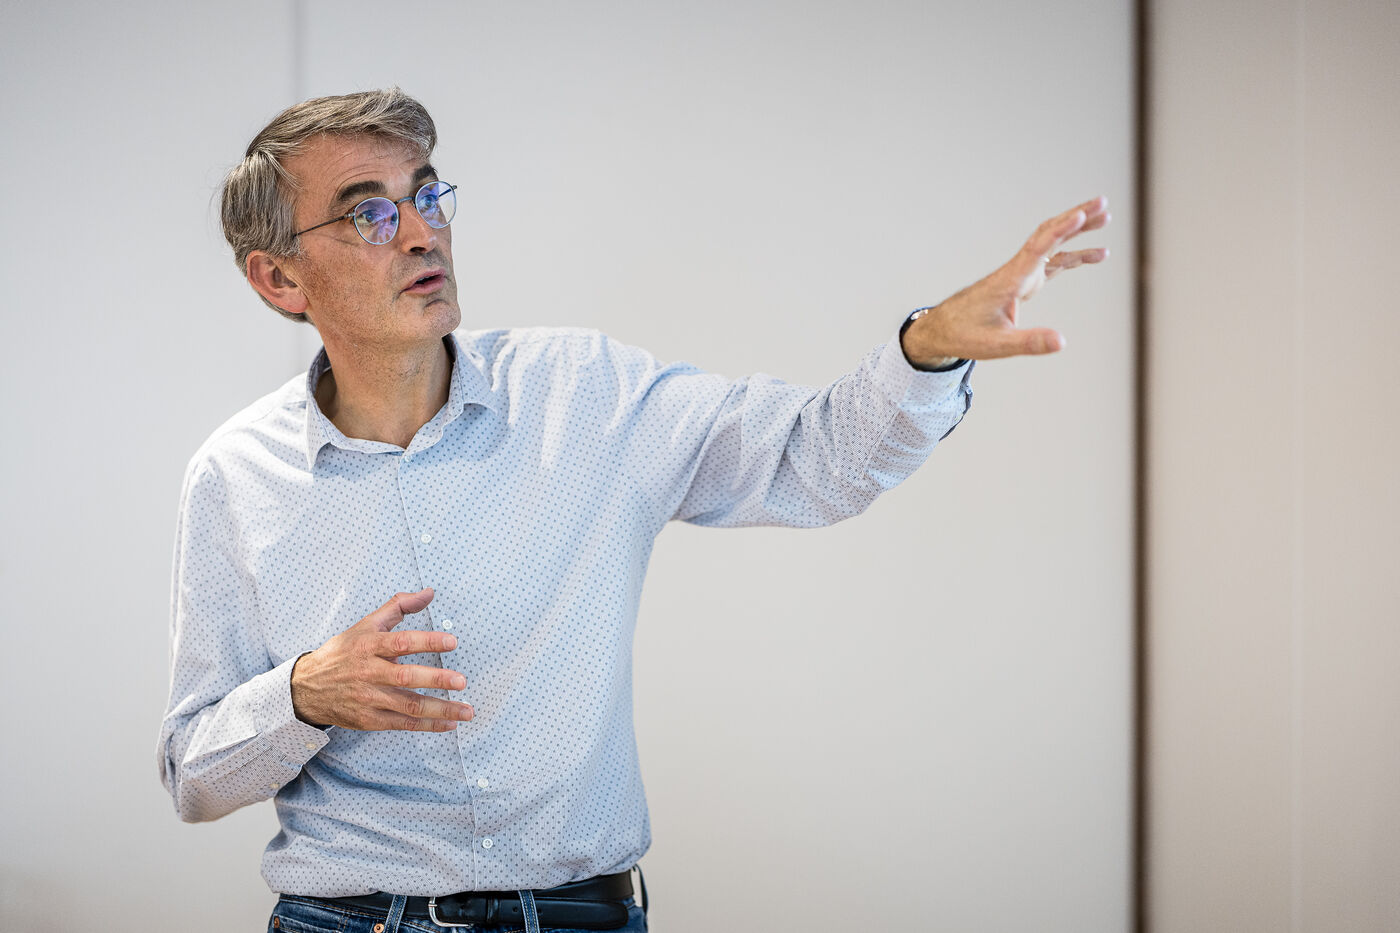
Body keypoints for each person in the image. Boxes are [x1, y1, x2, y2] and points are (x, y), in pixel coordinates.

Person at [157, 88, 1108, 933]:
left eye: (428, 195)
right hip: (345, 921)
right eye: (370, 213)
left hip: (580, 917)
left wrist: (929, 346)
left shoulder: (585, 392)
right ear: (279, 278)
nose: (421, 233)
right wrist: (302, 693)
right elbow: (192, 775)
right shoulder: (236, 478)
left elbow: (816, 458)